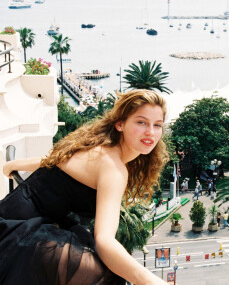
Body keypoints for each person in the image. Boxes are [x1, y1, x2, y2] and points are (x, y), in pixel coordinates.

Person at [1, 89, 169, 285]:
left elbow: (54, 161)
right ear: (120, 124)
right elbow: (104, 240)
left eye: (157, 125)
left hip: (17, 211)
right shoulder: (113, 169)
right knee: (105, 276)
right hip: (21, 228)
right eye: (141, 122)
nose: (150, 132)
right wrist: (149, 281)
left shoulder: (100, 145)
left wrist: (14, 164)